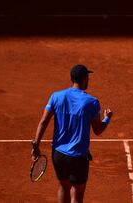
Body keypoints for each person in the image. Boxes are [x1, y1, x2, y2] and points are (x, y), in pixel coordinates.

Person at [31, 64, 113, 203]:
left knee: (64, 186)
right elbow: (98, 130)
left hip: (58, 155)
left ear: (72, 79)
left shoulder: (56, 96)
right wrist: (107, 118)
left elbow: (43, 122)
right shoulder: (92, 102)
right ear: (85, 79)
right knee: (78, 192)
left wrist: (36, 145)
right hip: (78, 156)